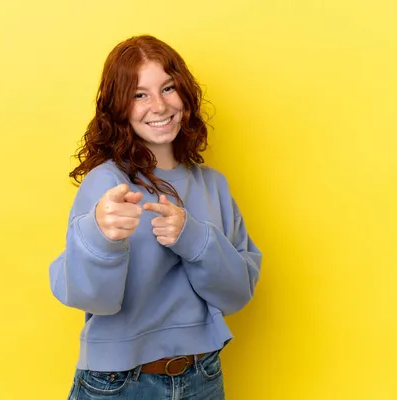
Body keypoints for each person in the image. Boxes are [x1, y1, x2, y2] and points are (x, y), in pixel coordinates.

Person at [49, 34, 262, 400]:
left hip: (202, 376)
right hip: (119, 383)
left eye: (168, 88)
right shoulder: (107, 183)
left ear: (186, 95)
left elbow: (237, 294)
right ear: (119, 107)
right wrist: (101, 238)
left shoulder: (213, 186)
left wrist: (193, 239)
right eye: (139, 94)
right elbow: (91, 298)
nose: (159, 106)